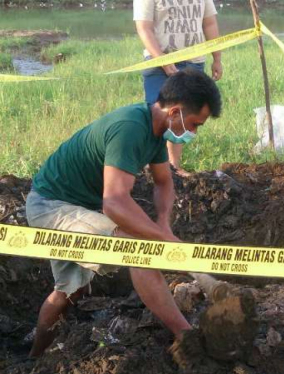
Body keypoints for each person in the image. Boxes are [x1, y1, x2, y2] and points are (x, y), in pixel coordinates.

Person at [25, 69, 222, 357]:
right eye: (194, 124)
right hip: (51, 206)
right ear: (176, 112)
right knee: (136, 246)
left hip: (79, 205)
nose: (193, 132)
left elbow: (164, 182)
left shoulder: (154, 131)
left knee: (69, 292)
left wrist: (163, 224)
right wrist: (162, 239)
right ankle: (185, 334)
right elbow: (114, 203)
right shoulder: (130, 127)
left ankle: (33, 358)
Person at [134, 0, 222, 175]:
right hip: (157, 63)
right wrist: (163, 60)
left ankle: (173, 167)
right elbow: (144, 28)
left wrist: (217, 58)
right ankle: (150, 166)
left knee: (183, 115)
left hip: (193, 63)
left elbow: (209, 23)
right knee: (158, 113)